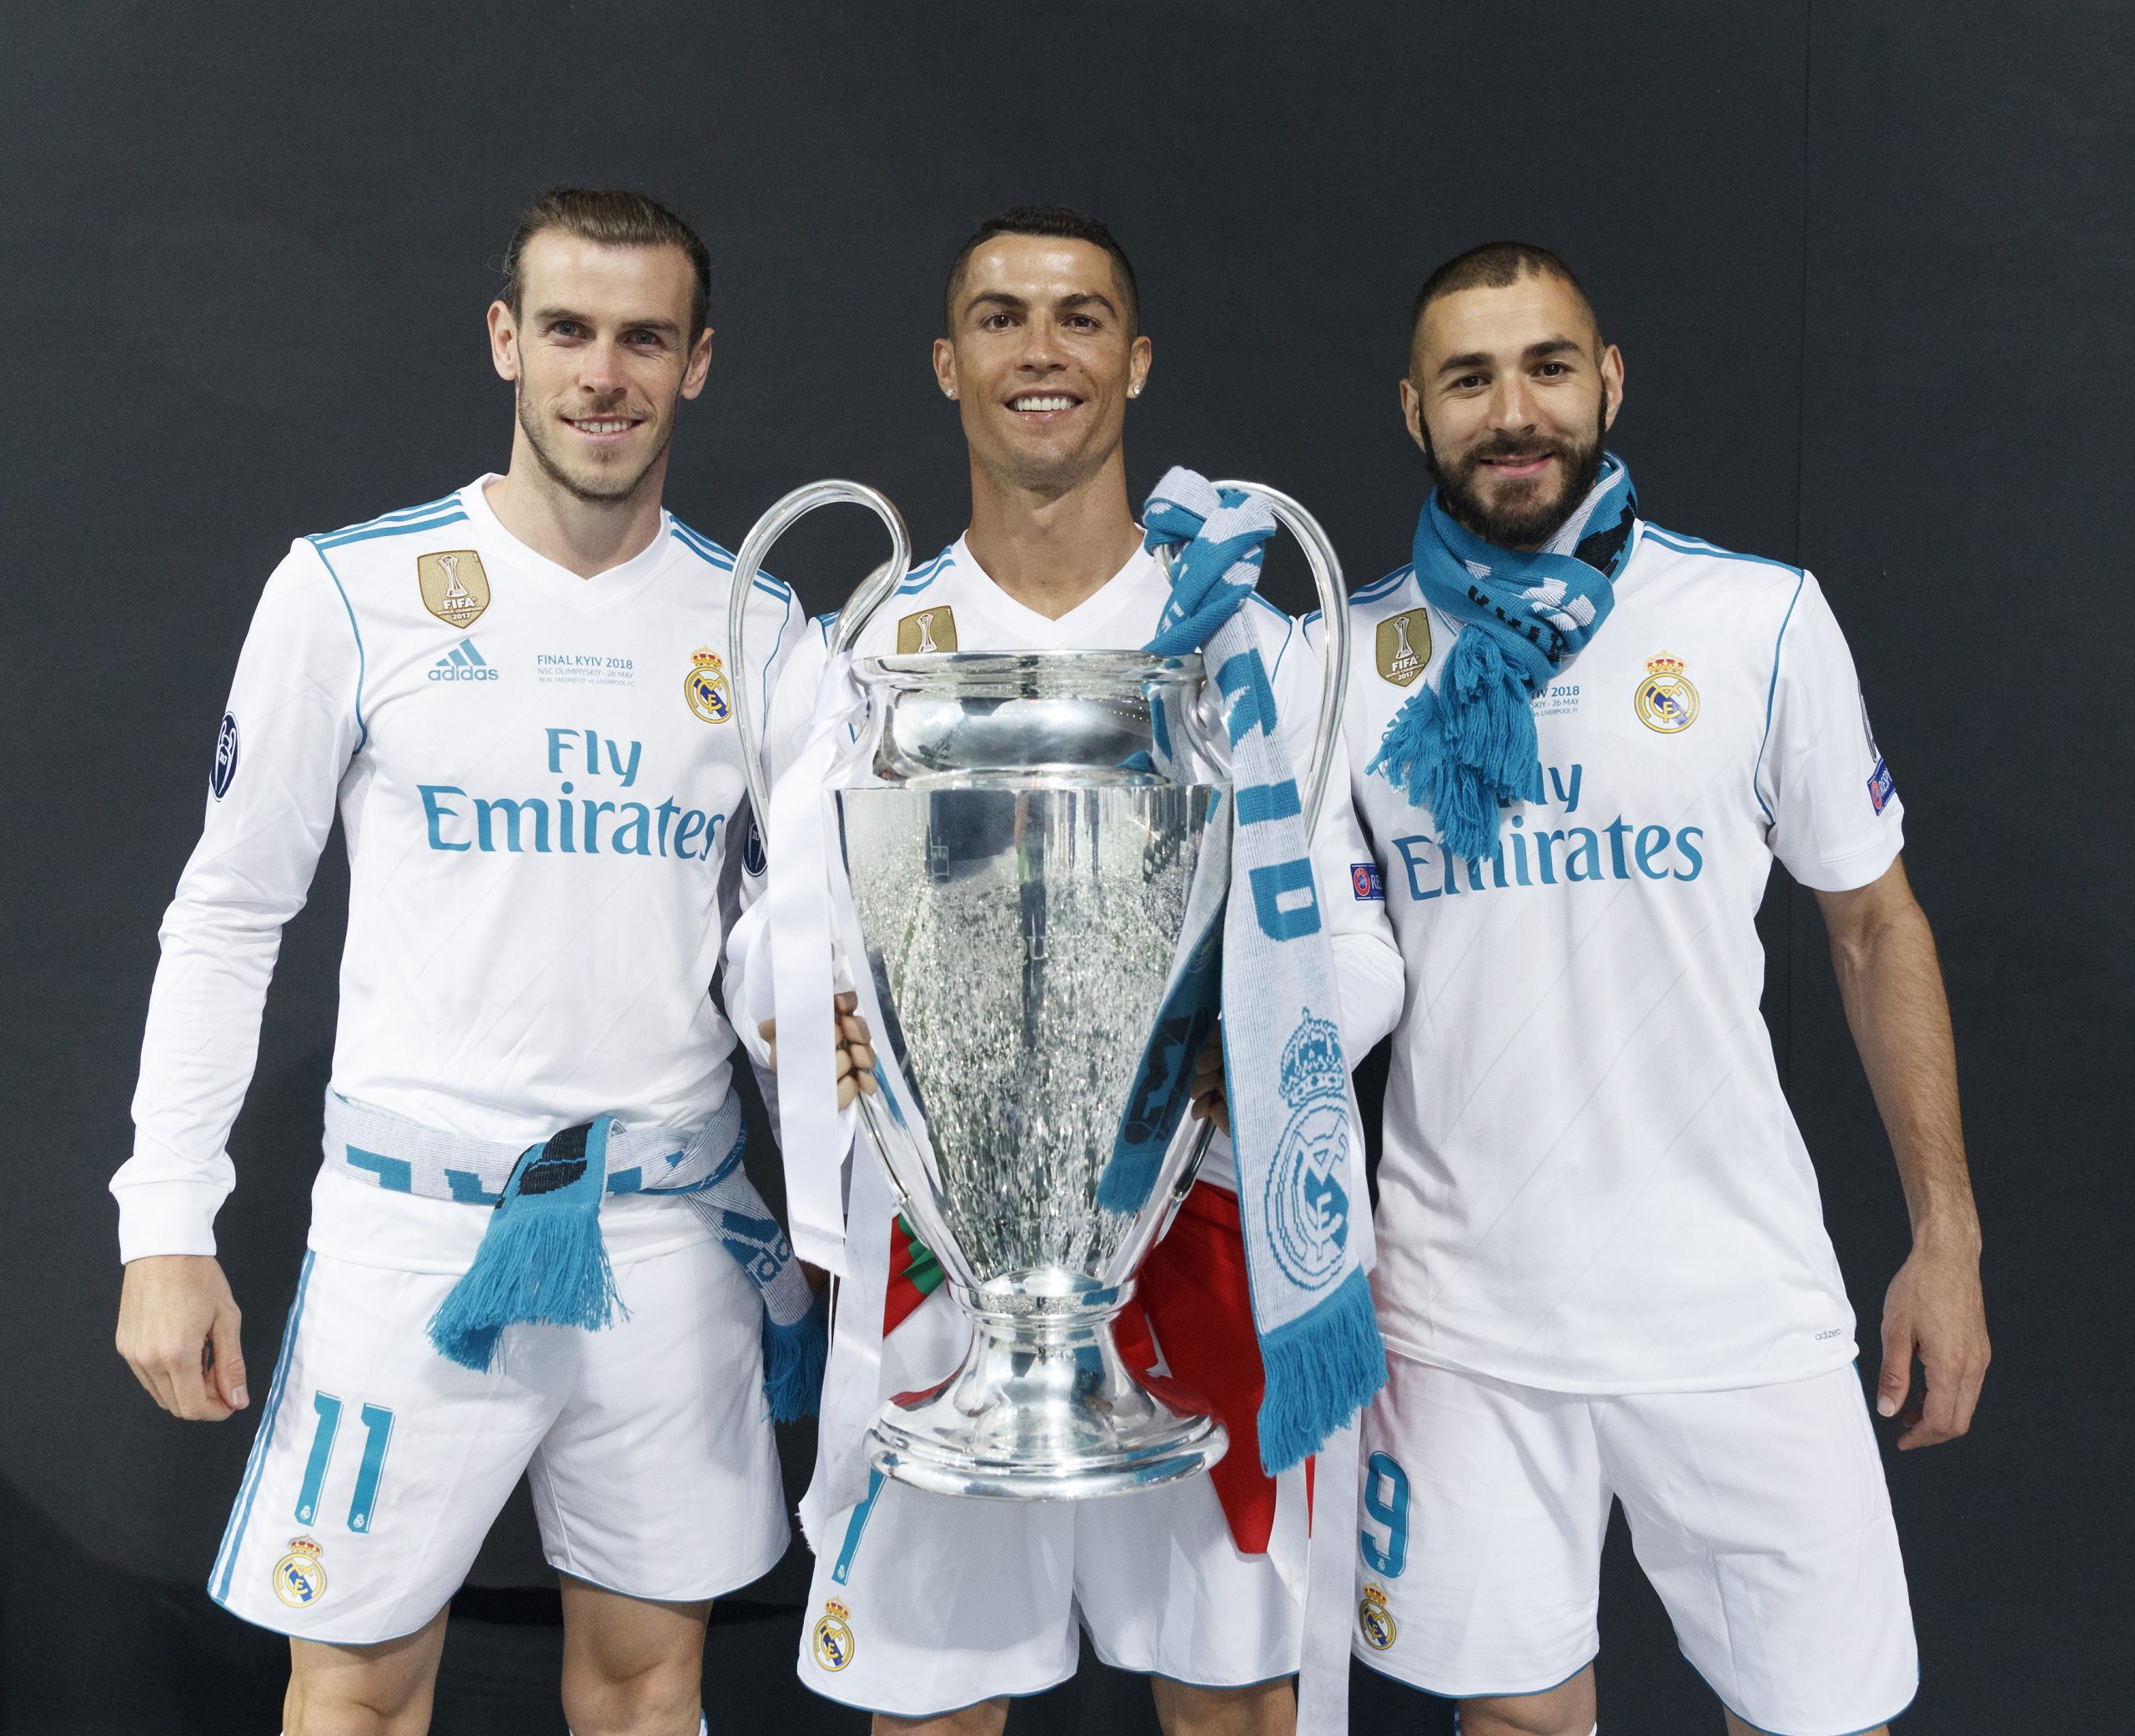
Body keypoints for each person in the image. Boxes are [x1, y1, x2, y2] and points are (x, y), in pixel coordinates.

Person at [110, 187, 813, 1736]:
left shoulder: (763, 625)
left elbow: (804, 968)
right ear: (507, 340)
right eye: (567, 330)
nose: (602, 374)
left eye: (645, 338)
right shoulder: (349, 593)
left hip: (666, 1234)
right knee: (357, 1691)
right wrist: (165, 1216)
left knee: (650, 1686)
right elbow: (229, 911)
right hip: (413, 1232)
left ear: (698, 363)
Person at [729, 205, 1404, 1735]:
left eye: (1082, 317)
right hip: (938, 1279)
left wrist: (1247, 1036)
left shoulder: (1249, 646)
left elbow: (1359, 948)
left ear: (1138, 358)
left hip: (1200, 1246)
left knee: (1234, 1708)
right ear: (948, 363)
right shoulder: (869, 646)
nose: (1043, 350)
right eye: (1001, 317)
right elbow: (759, 939)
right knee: (934, 1716)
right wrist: (804, 1024)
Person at [1337, 241, 1990, 1736]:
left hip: (1732, 1302)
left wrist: (1944, 1237)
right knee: (1511, 1723)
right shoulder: (1344, 656)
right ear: (1414, 408)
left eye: (1549, 366)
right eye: (1471, 377)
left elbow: (1876, 926)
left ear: (1609, 381)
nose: (1516, 410)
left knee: (1826, 1723)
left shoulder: (1756, 620)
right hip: (1461, 1317)